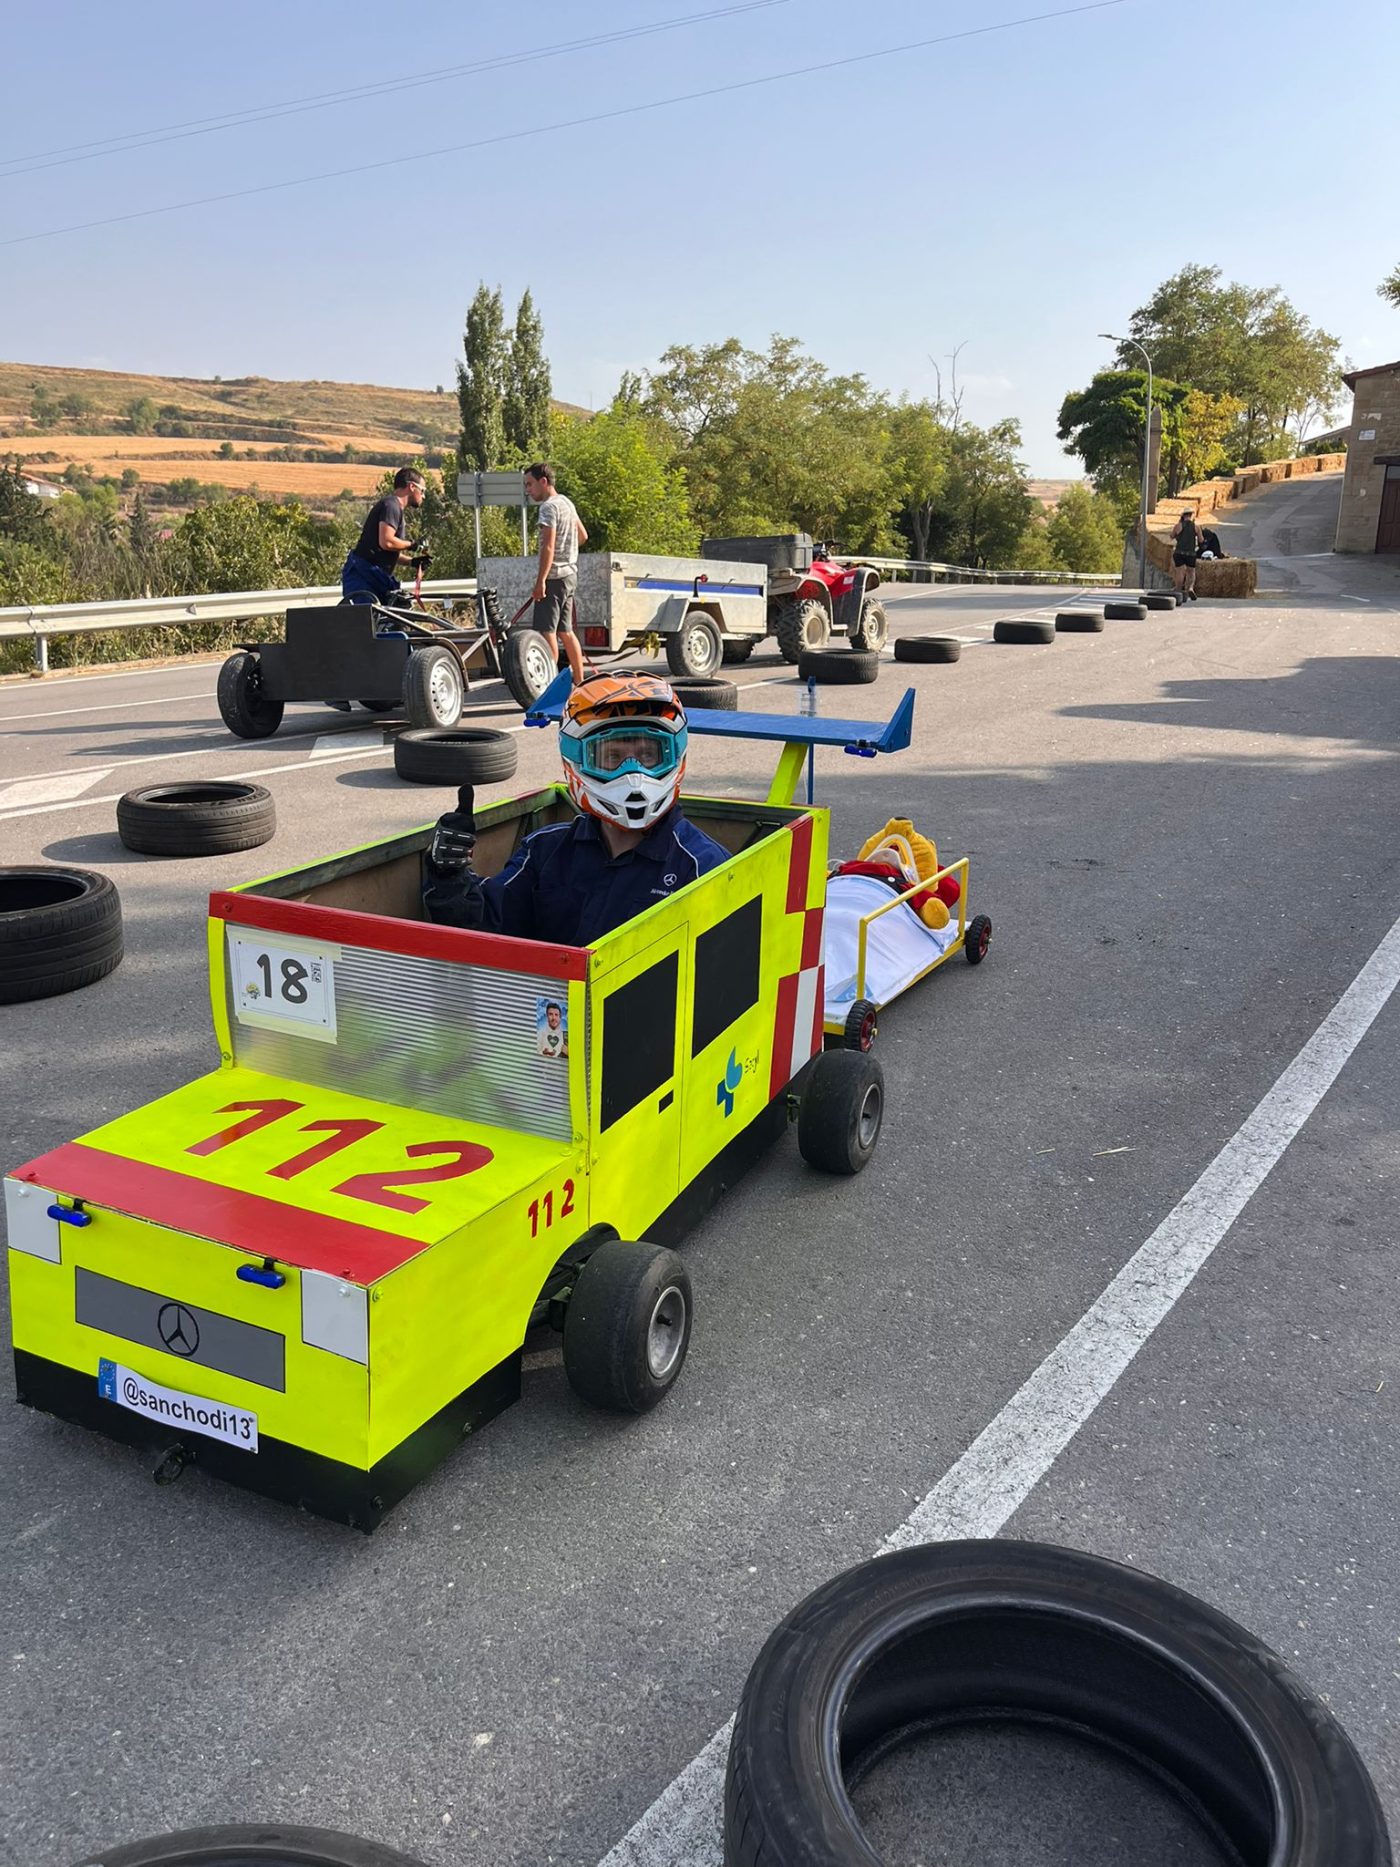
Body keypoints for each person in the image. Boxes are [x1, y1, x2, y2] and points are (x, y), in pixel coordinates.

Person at [423, 674, 727, 945]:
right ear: (576, 761)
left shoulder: (704, 868)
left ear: (675, 755)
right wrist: (448, 873)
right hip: (551, 1005)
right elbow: (487, 925)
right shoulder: (546, 850)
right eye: (612, 756)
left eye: (648, 756)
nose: (633, 775)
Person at [524, 462, 588, 685]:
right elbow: (583, 536)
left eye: (530, 484)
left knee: (545, 631)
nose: (528, 490)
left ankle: (552, 684)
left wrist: (540, 581)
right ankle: (580, 681)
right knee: (565, 631)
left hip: (554, 578)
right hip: (570, 575)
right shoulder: (567, 503)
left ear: (544, 481)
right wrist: (569, 547)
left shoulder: (549, 507)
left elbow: (548, 547)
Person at [341, 468, 429, 605]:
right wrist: (413, 545)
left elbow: (384, 550)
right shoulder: (391, 506)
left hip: (373, 576)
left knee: (391, 621)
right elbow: (386, 542)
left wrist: (412, 562)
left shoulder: (393, 507)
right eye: (422, 491)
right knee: (366, 622)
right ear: (411, 486)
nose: (423, 496)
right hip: (363, 577)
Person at [1171, 510, 1201, 600]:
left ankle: (1178, 589)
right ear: (1191, 515)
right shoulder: (1196, 527)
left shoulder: (1178, 526)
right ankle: (1190, 588)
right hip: (1191, 553)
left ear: (1183, 516)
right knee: (1191, 572)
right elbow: (1201, 540)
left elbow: (1171, 536)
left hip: (1179, 552)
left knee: (1180, 572)